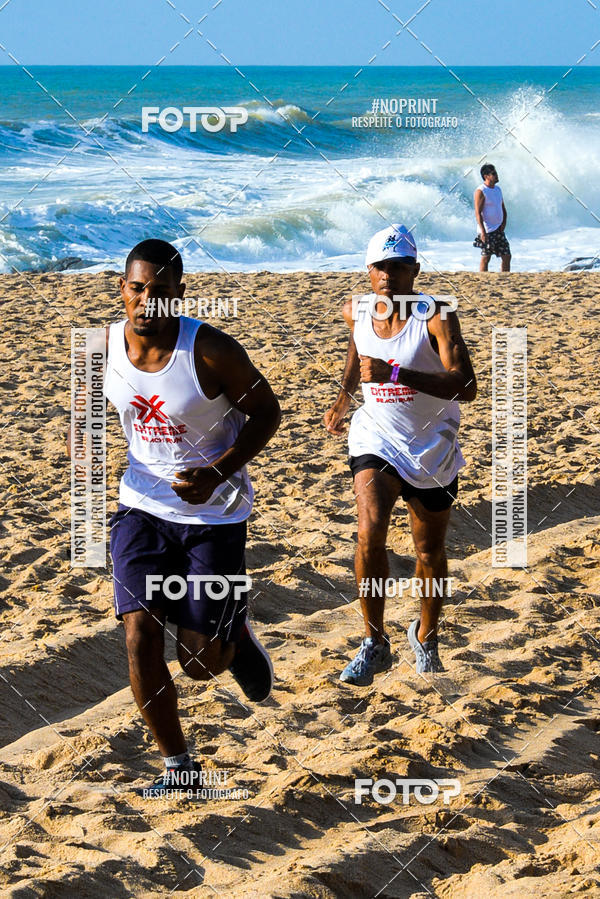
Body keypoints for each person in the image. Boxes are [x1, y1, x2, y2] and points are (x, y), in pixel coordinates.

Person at [69, 239, 281, 794]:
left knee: (199, 663)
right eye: (136, 289)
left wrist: (216, 470)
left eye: (159, 292)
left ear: (178, 295)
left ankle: (234, 634)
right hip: (140, 506)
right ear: (122, 288)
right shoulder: (100, 348)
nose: (146, 302)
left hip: (215, 512)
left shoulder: (210, 351)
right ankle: (179, 768)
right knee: (138, 636)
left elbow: (266, 411)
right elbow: (87, 418)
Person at [323, 224, 477, 685]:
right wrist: (344, 396)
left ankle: (426, 635)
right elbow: (358, 349)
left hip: (432, 444)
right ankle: (374, 642)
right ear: (368, 271)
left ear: (414, 271)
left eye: (398, 267)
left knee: (428, 550)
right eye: (380, 267)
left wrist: (395, 373)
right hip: (376, 436)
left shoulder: (436, 316)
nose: (388, 275)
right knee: (369, 532)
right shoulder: (356, 309)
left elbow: (467, 386)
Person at [474, 163, 511, 272]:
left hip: (498, 229)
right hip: (488, 230)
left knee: (507, 256)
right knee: (486, 257)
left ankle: (505, 278)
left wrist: (504, 222)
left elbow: (502, 207)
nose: (496, 175)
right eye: (493, 173)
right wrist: (483, 232)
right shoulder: (481, 191)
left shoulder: (498, 189)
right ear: (486, 176)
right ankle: (483, 279)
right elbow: (478, 213)